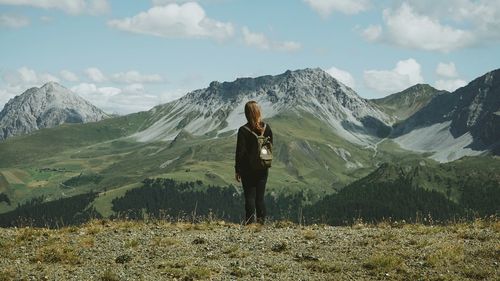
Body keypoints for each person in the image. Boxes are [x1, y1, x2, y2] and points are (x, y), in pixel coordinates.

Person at [235, 101, 273, 225]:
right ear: (258, 112)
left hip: (247, 169)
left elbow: (240, 153)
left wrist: (238, 170)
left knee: (250, 197)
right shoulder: (267, 128)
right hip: (263, 168)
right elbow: (270, 147)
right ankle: (261, 225)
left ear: (246, 113)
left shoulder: (243, 130)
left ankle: (250, 224)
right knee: (260, 199)